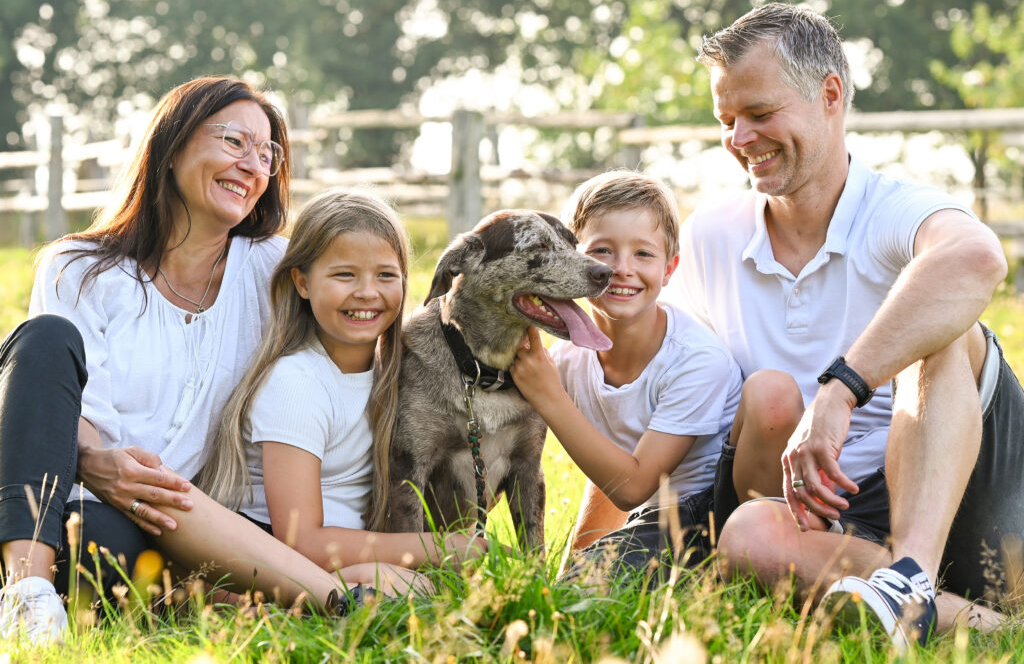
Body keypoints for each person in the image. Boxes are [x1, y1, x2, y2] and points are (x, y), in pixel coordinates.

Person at [0, 77, 419, 646]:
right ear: (171, 148)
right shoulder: (77, 267)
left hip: (198, 523)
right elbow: (51, 402)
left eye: (267, 152)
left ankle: (241, 598)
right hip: (73, 507)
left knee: (129, 558)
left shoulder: (271, 270)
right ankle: (26, 595)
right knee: (43, 341)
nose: (252, 163)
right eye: (234, 141)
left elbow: (365, 308)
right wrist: (97, 459)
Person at [664, 3, 1022, 649]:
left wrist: (841, 389)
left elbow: (976, 258)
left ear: (831, 95)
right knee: (746, 532)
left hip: (960, 494)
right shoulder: (711, 235)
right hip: (830, 523)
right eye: (727, 120)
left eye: (760, 114)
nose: (739, 139)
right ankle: (971, 623)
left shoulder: (893, 209)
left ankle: (910, 576)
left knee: (943, 330)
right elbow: (680, 389)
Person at [199, 188, 486, 570]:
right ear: (302, 283)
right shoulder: (297, 383)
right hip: (274, 556)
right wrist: (441, 548)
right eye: (344, 275)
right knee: (407, 592)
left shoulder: (395, 374)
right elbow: (301, 542)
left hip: (345, 555)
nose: (367, 293)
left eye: (386, 275)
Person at [509, 170, 742, 578]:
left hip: (711, 513)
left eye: (643, 254)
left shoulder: (696, 360)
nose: (621, 269)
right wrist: (574, 562)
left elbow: (633, 487)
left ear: (670, 269)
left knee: (594, 586)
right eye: (601, 251)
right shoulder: (567, 360)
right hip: (652, 519)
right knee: (577, 585)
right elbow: (608, 463)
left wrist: (549, 396)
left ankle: (721, 579)